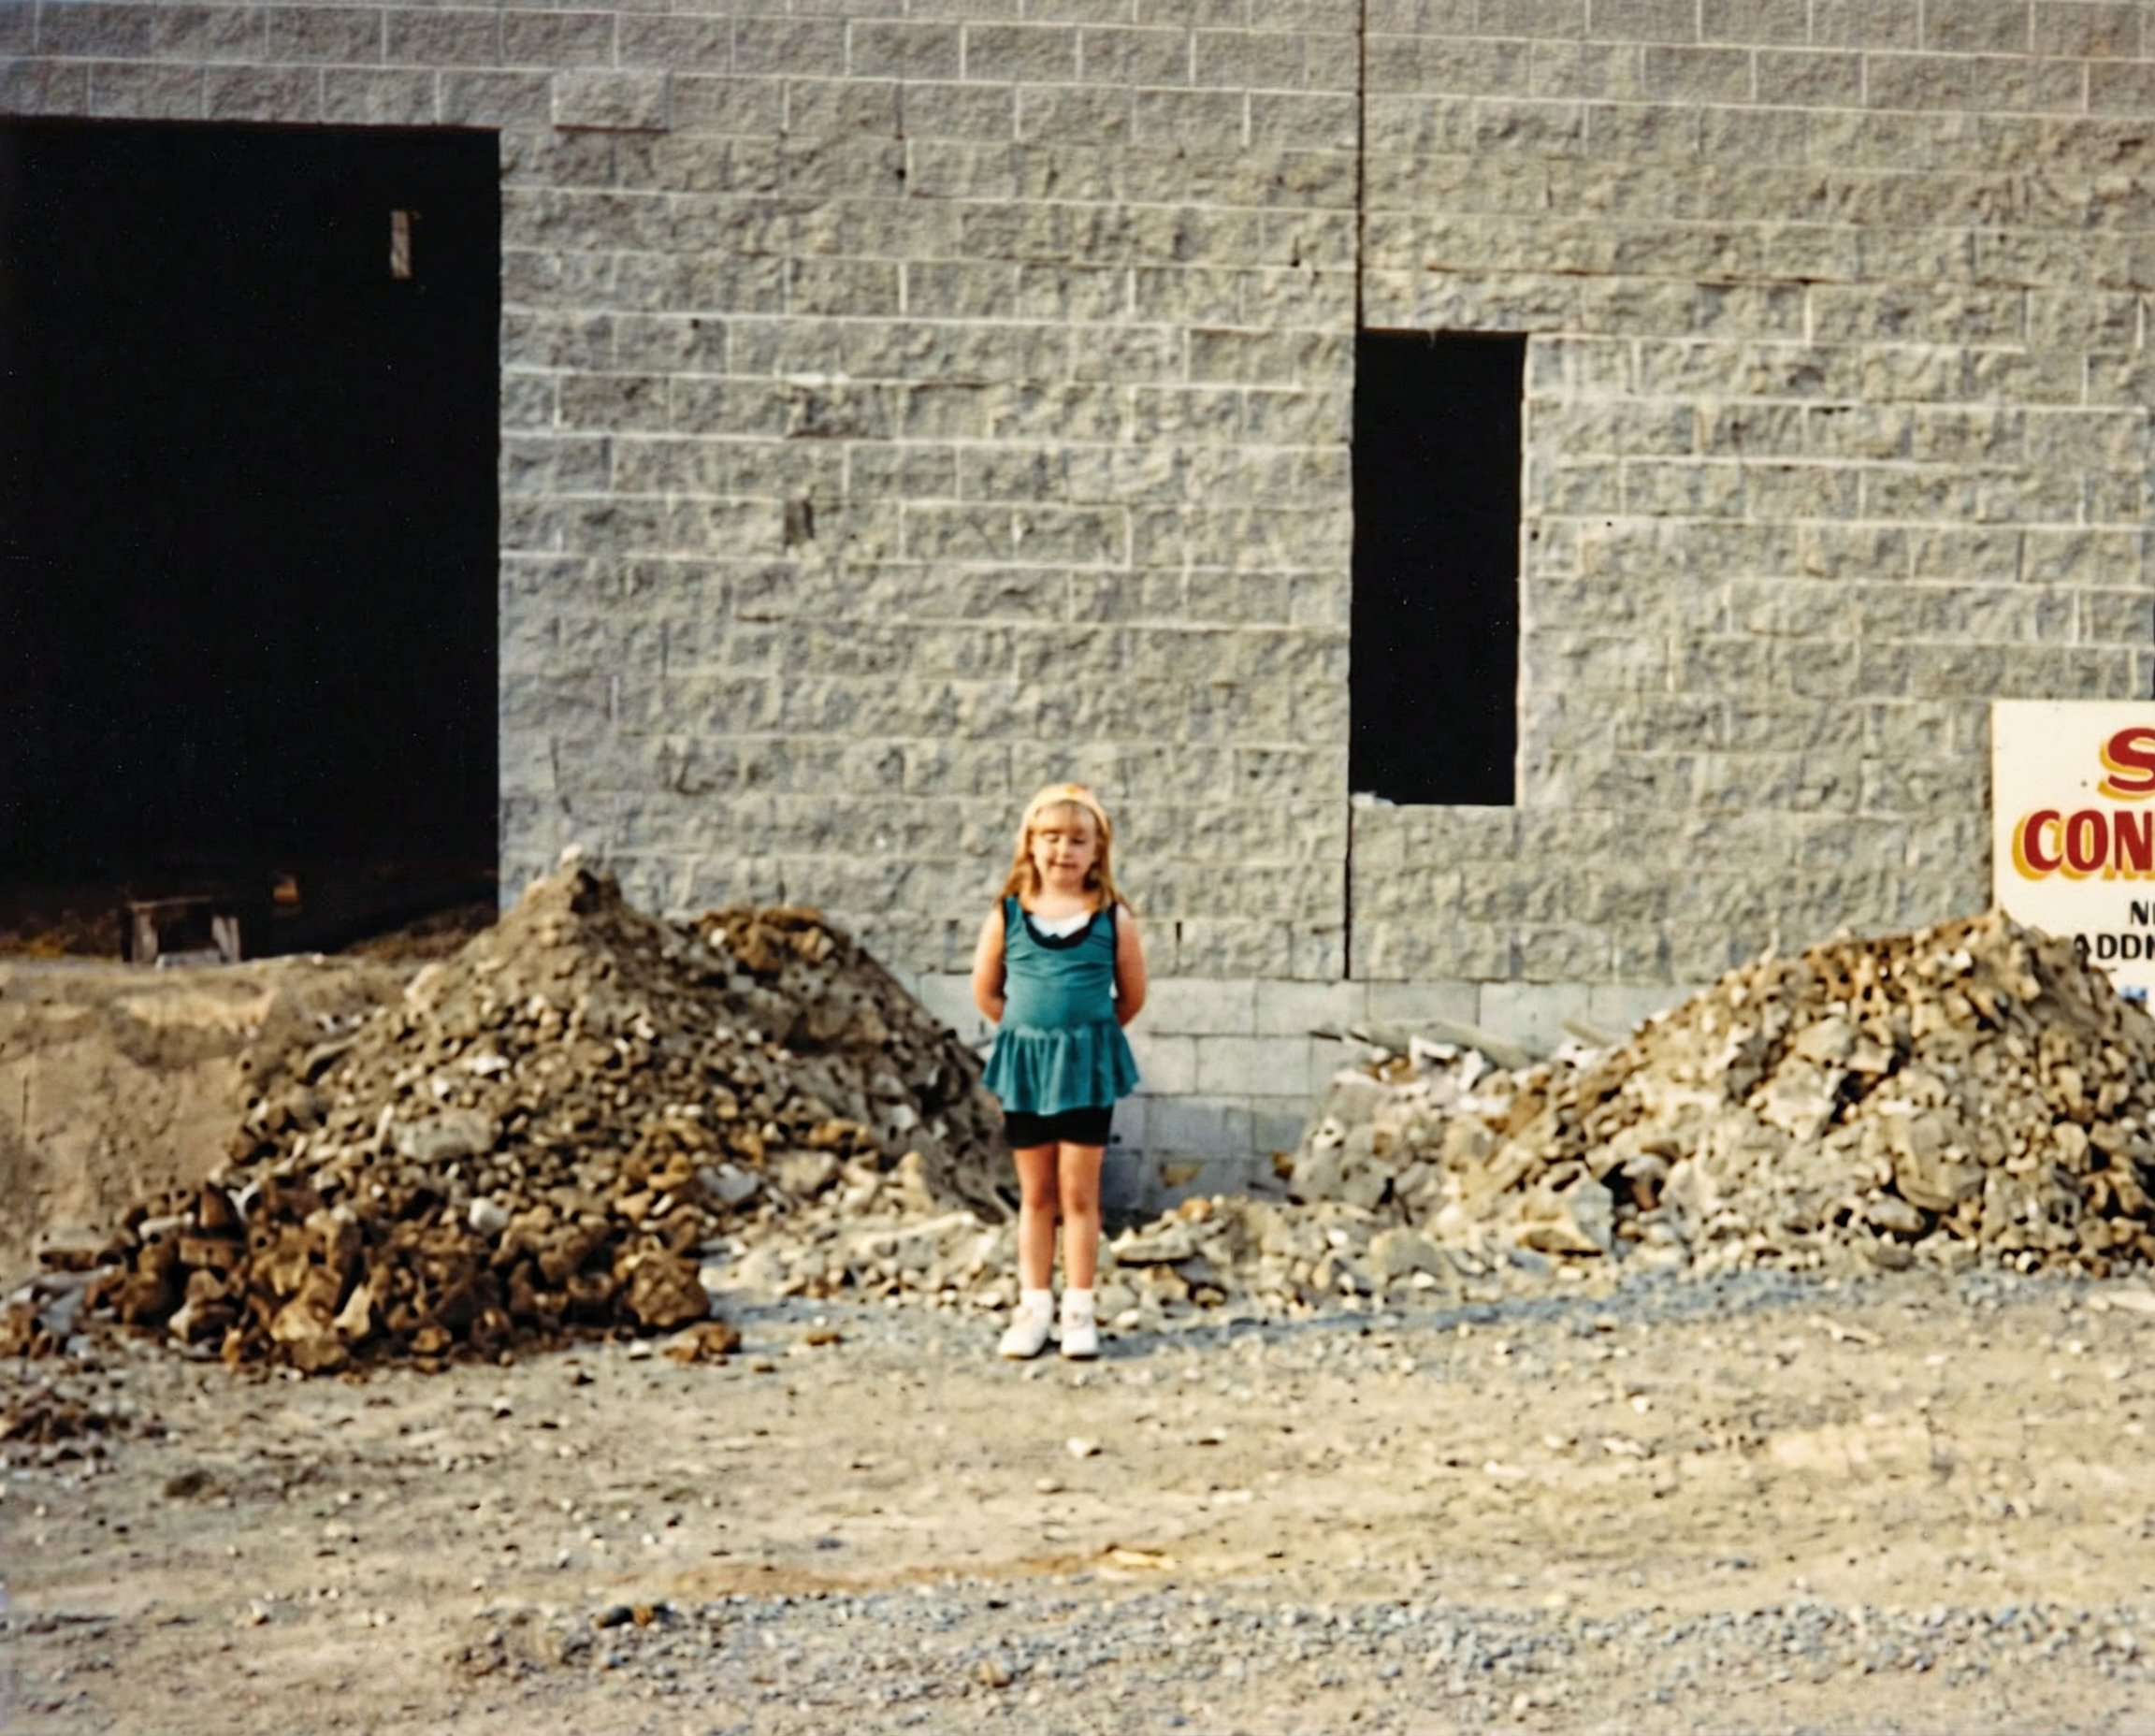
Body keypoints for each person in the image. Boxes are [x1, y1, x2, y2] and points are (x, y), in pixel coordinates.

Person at [972, 784, 1147, 1360]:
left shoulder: (1112, 918)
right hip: (1025, 1069)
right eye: (1051, 838)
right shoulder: (1007, 915)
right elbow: (987, 993)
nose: (1063, 851)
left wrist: (1082, 1038)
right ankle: (1032, 1307)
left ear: (1098, 851)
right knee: (1036, 1194)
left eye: (1078, 840)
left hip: (1087, 1070)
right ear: (1029, 844)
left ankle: (1078, 1309)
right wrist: (1030, 1035)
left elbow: (1132, 997)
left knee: (1080, 1194)